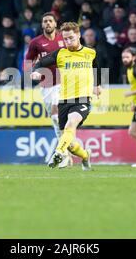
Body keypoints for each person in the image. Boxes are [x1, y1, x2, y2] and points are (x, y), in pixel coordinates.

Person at [30, 22, 101, 170]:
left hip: (82, 99)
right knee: (69, 142)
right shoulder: (60, 54)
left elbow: (96, 68)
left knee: (71, 125)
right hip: (64, 100)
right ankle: (85, 155)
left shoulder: (90, 53)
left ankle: (58, 153)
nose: (68, 42)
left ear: (79, 35)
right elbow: (41, 62)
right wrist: (36, 71)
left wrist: (97, 85)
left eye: (71, 38)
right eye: (66, 39)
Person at [25, 12, 73, 168]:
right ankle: (66, 151)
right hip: (46, 85)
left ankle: (63, 153)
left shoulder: (63, 39)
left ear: (55, 23)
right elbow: (28, 61)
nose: (47, 23)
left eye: (50, 21)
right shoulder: (36, 42)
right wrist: (30, 73)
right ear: (42, 24)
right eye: (45, 21)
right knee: (55, 120)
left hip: (64, 82)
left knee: (56, 114)